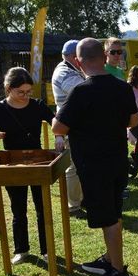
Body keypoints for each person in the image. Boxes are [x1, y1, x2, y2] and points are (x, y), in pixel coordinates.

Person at [53, 38, 138, 276]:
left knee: (108, 217)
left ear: (78, 61)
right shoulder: (122, 88)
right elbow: (133, 121)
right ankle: (110, 259)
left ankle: (118, 270)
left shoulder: (81, 91)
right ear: (104, 56)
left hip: (94, 164)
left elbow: (59, 127)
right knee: (111, 213)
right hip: (117, 160)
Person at [0, 67, 59, 265]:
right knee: (18, 209)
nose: (25, 96)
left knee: (42, 208)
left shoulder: (38, 105)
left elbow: (55, 120)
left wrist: (58, 135)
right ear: (8, 89)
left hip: (38, 162)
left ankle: (46, 249)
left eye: (28, 92)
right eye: (20, 92)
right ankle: (21, 249)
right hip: (12, 164)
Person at [51, 39, 85, 216]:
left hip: (75, 125)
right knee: (73, 167)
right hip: (71, 127)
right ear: (74, 56)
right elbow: (85, 93)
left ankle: (80, 199)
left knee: (80, 165)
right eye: (82, 56)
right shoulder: (65, 73)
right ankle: (73, 206)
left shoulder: (72, 69)